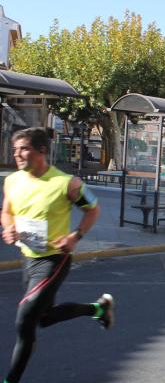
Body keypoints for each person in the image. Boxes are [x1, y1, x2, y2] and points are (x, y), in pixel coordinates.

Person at [1, 127, 112, 383]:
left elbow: (93, 209)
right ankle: (98, 308)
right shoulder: (12, 180)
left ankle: (10, 380)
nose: (16, 154)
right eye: (15, 148)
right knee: (45, 317)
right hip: (28, 257)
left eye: (23, 149)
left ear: (41, 151)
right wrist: (8, 227)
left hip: (54, 259)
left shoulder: (67, 183)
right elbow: (6, 211)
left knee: (25, 319)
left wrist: (75, 236)